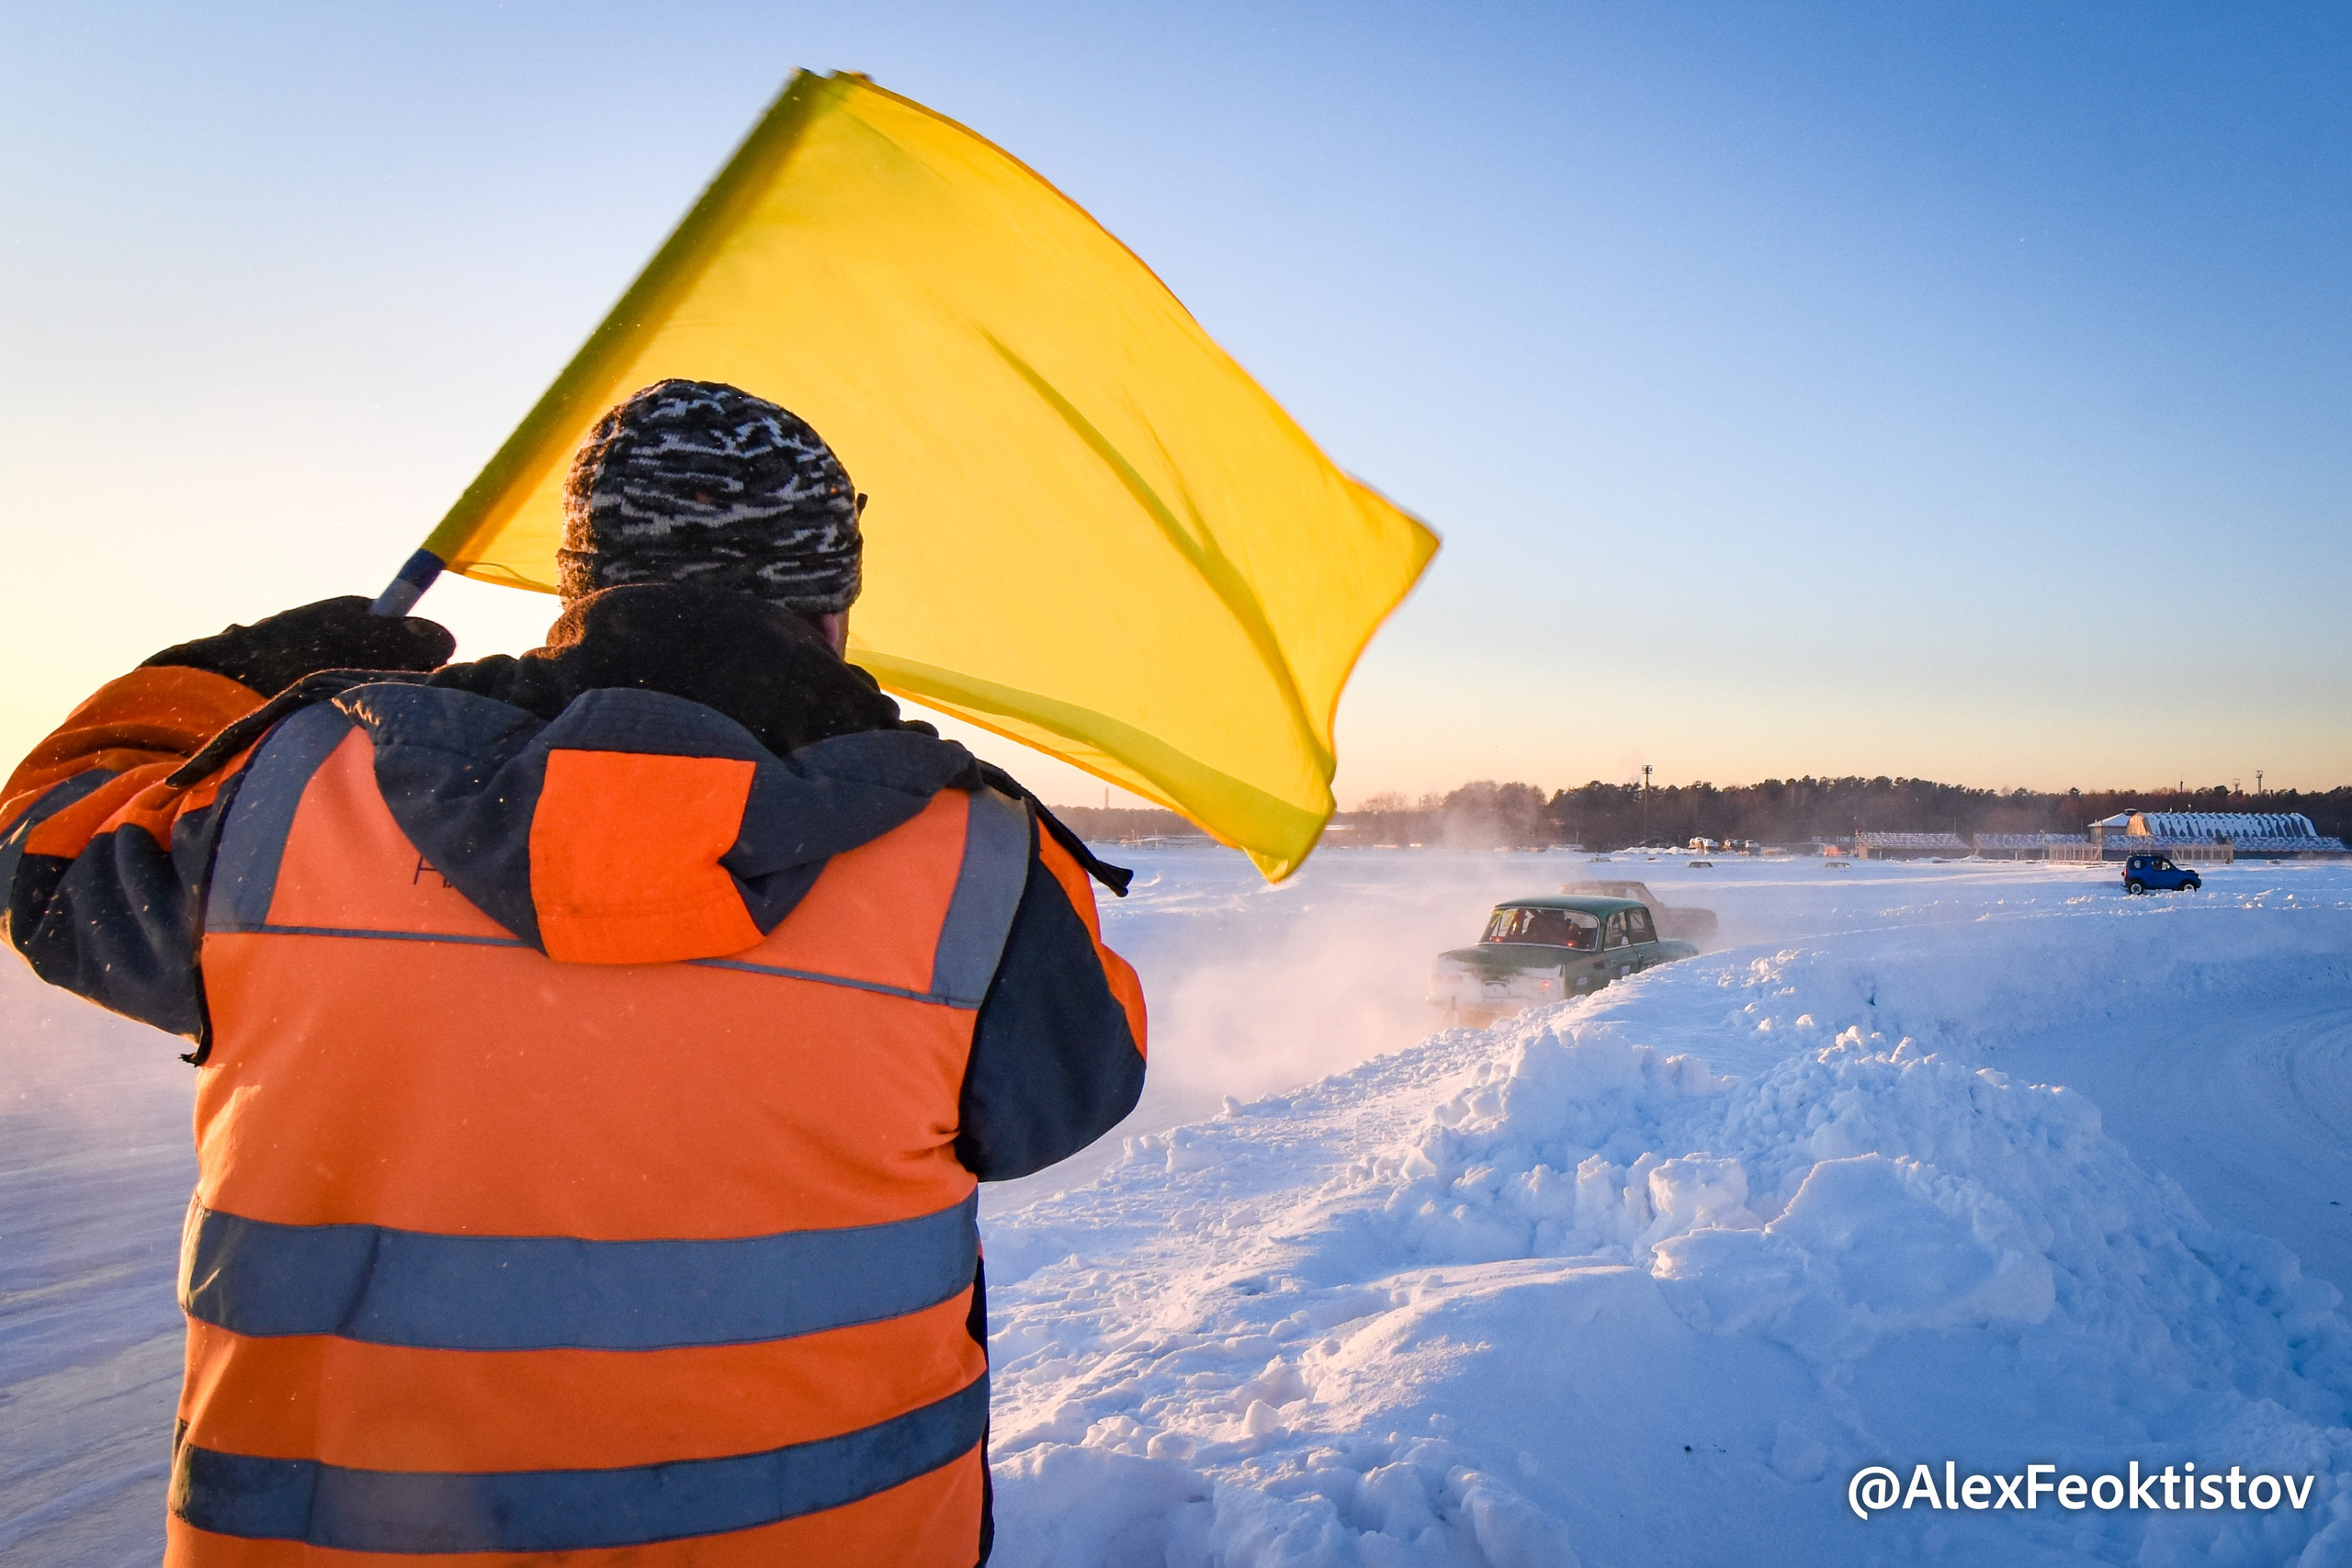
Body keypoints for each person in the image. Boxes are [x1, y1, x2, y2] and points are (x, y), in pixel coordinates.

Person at [0, 379, 1148, 1565]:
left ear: (578, 585)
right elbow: (1078, 1085)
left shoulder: (283, 806)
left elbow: (36, 849)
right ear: (832, 611)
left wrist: (232, 680)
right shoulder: (980, 867)